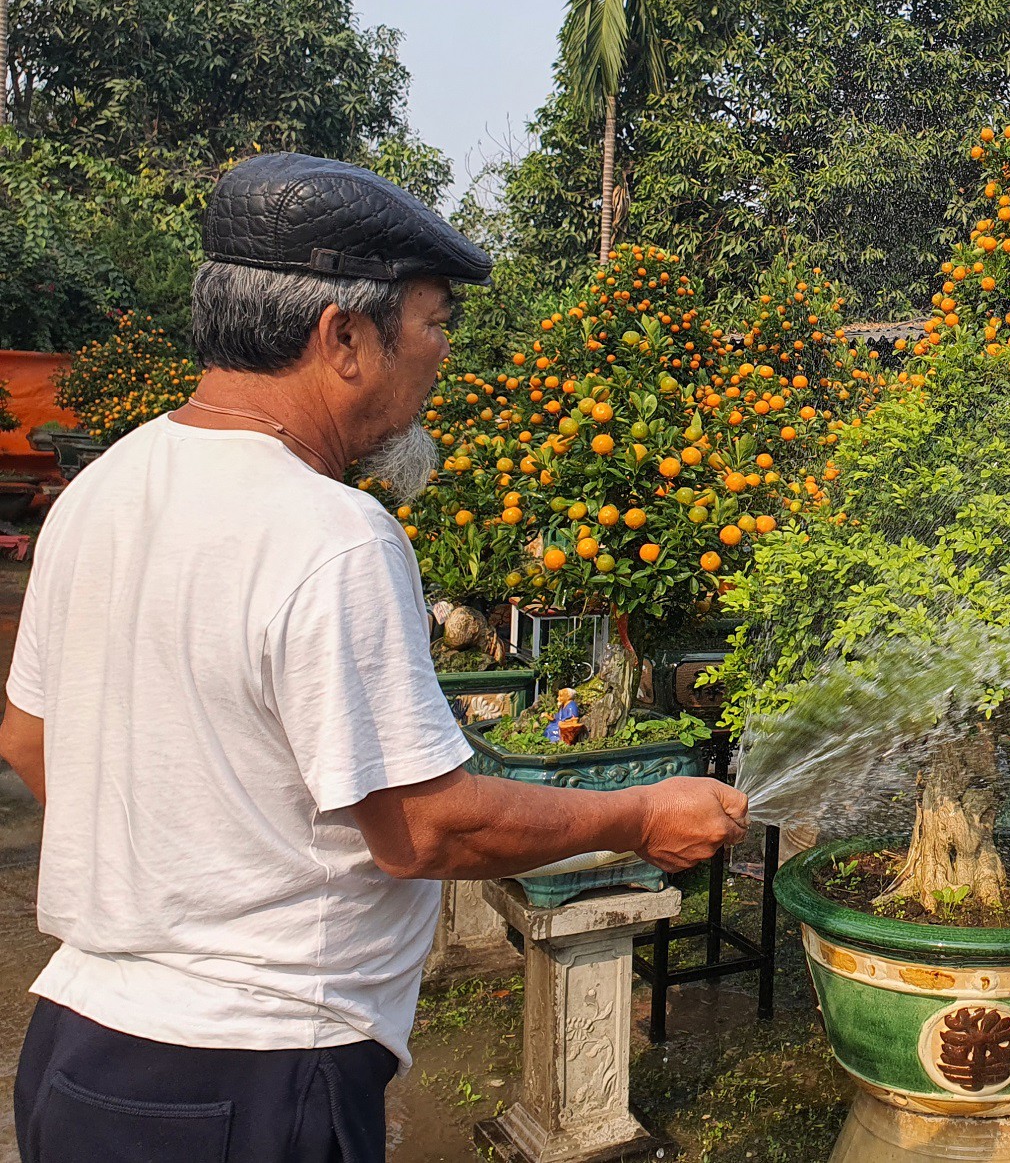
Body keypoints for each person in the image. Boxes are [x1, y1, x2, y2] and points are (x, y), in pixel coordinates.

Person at [0, 153, 748, 1162]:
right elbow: (422, 828)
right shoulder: (330, 533)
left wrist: (174, 864)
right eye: (435, 324)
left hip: (76, 1051)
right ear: (343, 336)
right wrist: (639, 814)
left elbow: (31, 738)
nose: (443, 357)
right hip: (249, 1080)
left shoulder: (101, 489)